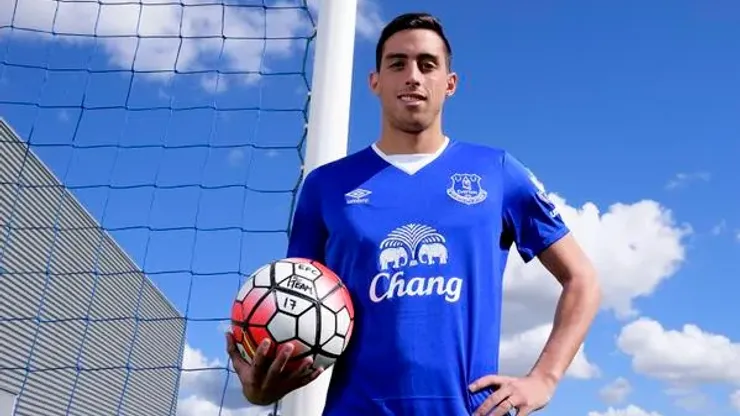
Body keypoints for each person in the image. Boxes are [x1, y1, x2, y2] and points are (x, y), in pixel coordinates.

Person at [226, 11, 601, 416]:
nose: (413, 76)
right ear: (375, 81)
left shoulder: (497, 172)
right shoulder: (326, 186)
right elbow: (292, 307)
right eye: (397, 64)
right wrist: (262, 387)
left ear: (450, 83)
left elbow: (582, 278)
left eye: (427, 64)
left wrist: (544, 377)